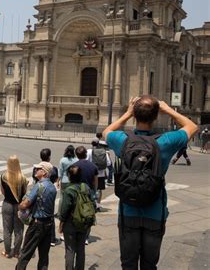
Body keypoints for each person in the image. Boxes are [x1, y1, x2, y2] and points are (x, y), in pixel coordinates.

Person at [103, 96, 198, 270]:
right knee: (149, 265)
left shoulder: (122, 140)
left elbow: (106, 131)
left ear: (135, 116)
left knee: (128, 264)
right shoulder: (166, 141)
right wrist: (167, 109)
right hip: (155, 212)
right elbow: (192, 127)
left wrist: (127, 113)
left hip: (128, 212)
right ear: (155, 117)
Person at [15, 162, 57, 270]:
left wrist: (20, 207)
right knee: (44, 255)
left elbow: (26, 203)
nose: (35, 170)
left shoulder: (39, 186)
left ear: (44, 172)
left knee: (25, 253)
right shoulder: (52, 187)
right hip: (49, 223)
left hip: (37, 225)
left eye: (38, 169)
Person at [59, 165, 93, 270]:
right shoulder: (86, 187)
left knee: (70, 250)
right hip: (83, 222)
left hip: (70, 223)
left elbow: (64, 209)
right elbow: (92, 203)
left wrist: (61, 223)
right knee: (81, 250)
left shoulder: (69, 190)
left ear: (69, 176)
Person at [0, 155, 28, 258]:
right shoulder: (23, 178)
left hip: (7, 204)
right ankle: (16, 252)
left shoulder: (4, 176)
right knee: (19, 230)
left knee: (7, 229)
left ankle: (7, 252)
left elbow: (2, 191)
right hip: (18, 206)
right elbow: (24, 192)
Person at [36, 148, 59, 247]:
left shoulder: (36, 168)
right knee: (50, 214)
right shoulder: (53, 168)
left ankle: (39, 236)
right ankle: (52, 238)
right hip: (50, 191)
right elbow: (55, 178)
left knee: (39, 214)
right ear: (49, 157)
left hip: (39, 191)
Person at [57, 145, 77, 241]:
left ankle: (60, 212)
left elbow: (60, 171)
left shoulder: (63, 160)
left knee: (62, 197)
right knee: (71, 197)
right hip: (72, 181)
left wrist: (58, 181)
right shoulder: (75, 160)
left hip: (64, 181)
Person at [86, 138, 111, 211]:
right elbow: (109, 163)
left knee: (91, 189)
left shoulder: (89, 151)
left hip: (91, 174)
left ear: (92, 143)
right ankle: (98, 205)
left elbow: (86, 161)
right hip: (101, 174)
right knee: (99, 190)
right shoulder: (104, 152)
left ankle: (91, 204)